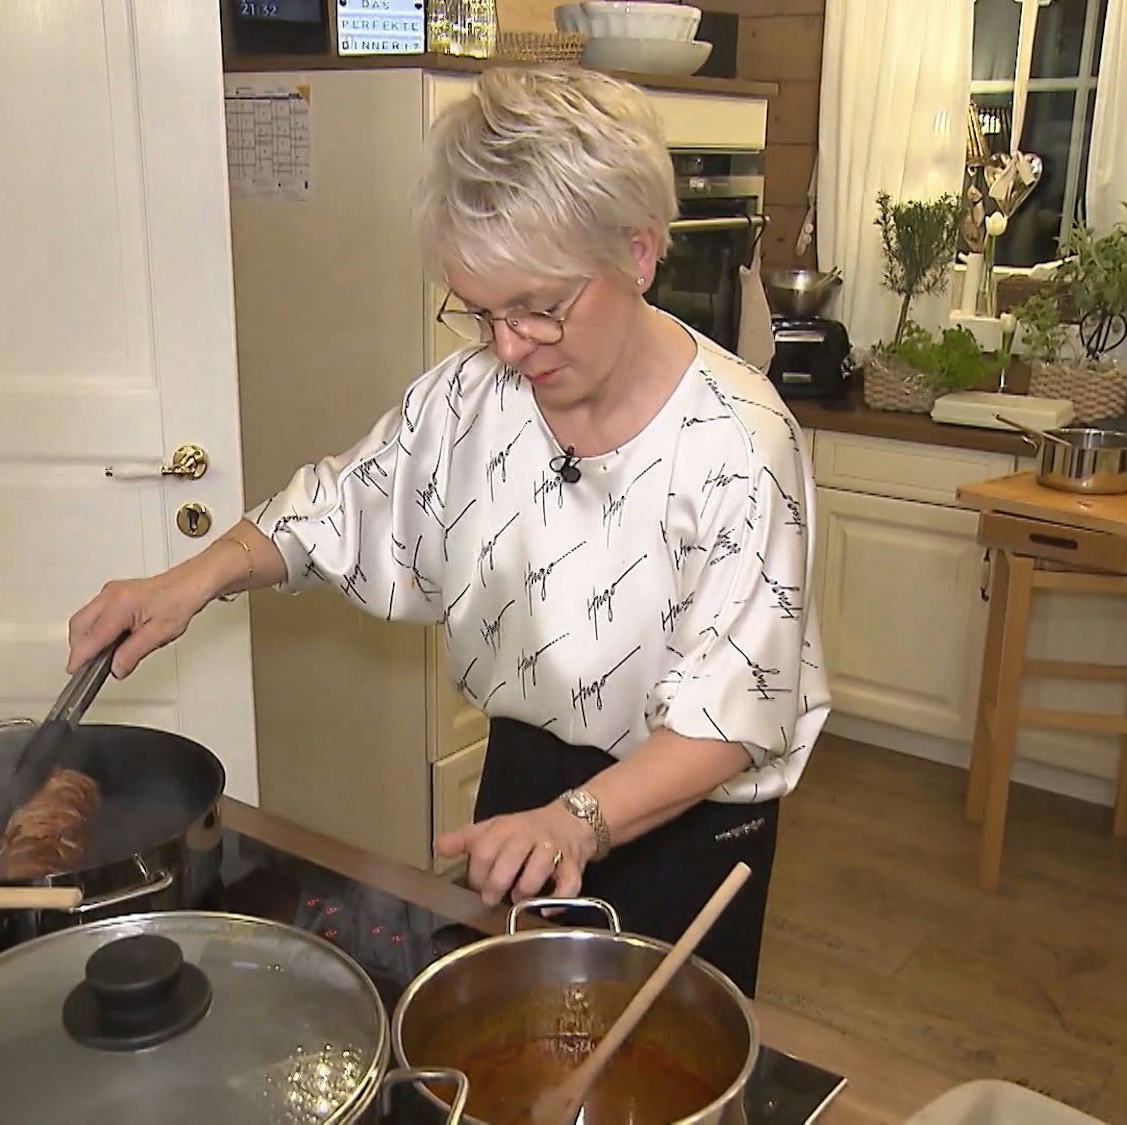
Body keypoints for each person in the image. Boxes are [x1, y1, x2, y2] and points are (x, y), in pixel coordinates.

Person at [65, 64, 829, 997]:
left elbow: (734, 715)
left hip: (684, 816)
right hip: (526, 781)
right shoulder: (473, 398)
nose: (508, 347)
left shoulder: (741, 443)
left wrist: (579, 820)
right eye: (481, 310)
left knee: (662, 1069)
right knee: (510, 1039)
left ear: (638, 251)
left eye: (540, 306)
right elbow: (337, 504)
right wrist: (186, 581)